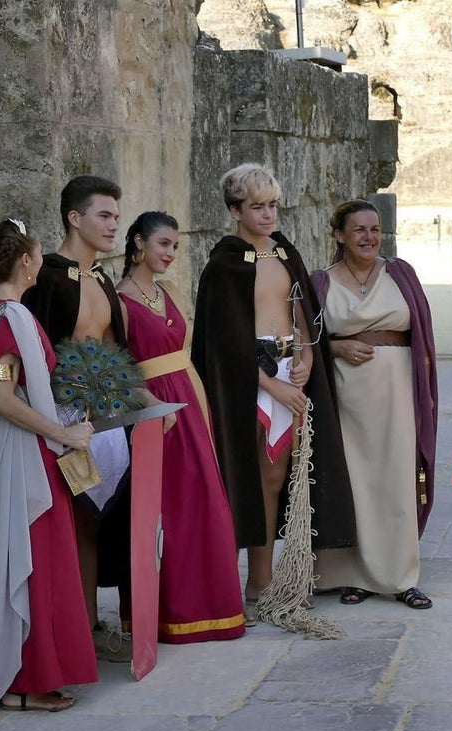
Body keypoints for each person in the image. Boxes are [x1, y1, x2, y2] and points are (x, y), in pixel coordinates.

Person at [190, 163, 354, 621]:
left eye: (273, 206)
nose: (268, 215)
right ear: (235, 211)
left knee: (278, 477)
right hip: (250, 380)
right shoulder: (224, 264)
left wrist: (306, 360)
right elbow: (223, 341)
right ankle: (244, 582)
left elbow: (304, 315)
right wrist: (270, 385)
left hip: (290, 369)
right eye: (257, 207)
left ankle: (267, 577)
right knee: (249, 474)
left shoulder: (285, 252)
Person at [22, 175, 172, 662]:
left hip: (103, 418)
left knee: (90, 521)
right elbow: (30, 357)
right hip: (54, 418)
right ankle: (60, 628)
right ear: (74, 218)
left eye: (115, 216)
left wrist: (145, 399)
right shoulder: (46, 278)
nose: (113, 225)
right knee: (59, 522)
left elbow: (113, 353)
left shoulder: (103, 280)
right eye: (104, 215)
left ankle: (85, 623)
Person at [0, 219, 98, 713]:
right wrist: (63, 434)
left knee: (37, 564)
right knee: (34, 565)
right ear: (25, 261)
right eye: (38, 254)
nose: (42, 262)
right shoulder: (6, 320)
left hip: (19, 452)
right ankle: (24, 682)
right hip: (21, 457)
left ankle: (33, 675)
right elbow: (3, 397)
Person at [116, 211, 246, 643]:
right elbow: (117, 367)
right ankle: (172, 614)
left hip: (190, 398)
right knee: (171, 507)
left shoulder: (168, 290)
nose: (171, 253)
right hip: (157, 409)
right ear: (139, 243)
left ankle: (215, 609)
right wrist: (150, 403)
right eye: (163, 244)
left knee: (206, 500)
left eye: (175, 245)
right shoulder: (119, 301)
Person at [309, 200, 438, 609]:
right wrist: (337, 346)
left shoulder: (400, 274)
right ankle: (355, 575)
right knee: (355, 482)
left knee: (397, 477)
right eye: (359, 230)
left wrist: (426, 392)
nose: (369, 237)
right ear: (339, 235)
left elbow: (422, 334)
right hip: (345, 397)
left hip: (398, 390)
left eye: (375, 229)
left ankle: (400, 577)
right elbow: (306, 341)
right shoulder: (321, 282)